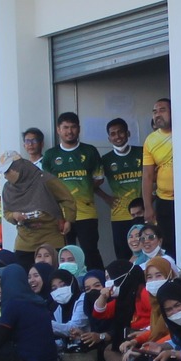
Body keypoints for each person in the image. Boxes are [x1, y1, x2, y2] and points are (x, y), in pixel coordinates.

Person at [44, 112, 105, 271]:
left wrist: (83, 188)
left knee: (90, 252)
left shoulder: (90, 151)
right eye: (65, 127)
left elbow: (99, 178)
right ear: (58, 130)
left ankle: (96, 285)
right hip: (60, 216)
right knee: (64, 254)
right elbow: (45, 184)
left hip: (87, 213)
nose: (69, 131)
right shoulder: (51, 155)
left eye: (73, 127)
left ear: (79, 129)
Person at [0, 152, 77, 260]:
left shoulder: (44, 179)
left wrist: (69, 220)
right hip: (25, 241)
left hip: (51, 237)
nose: (5, 176)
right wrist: (14, 215)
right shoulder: (8, 189)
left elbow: (67, 199)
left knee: (52, 274)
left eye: (7, 171)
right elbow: (6, 212)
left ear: (18, 168)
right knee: (25, 274)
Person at [101, 117, 145, 256]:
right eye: (113, 134)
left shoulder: (142, 152)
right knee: (123, 255)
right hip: (119, 215)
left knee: (145, 251)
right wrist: (106, 198)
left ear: (128, 133)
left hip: (142, 214)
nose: (117, 136)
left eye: (120, 132)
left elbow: (154, 176)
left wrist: (152, 198)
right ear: (109, 138)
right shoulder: (105, 159)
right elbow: (91, 182)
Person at [142, 98, 176, 243]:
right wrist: (148, 206)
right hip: (164, 201)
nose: (157, 114)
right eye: (154, 111)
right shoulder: (150, 140)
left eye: (162, 110)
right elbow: (148, 176)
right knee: (167, 243)